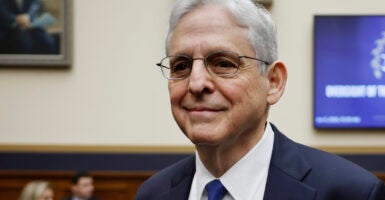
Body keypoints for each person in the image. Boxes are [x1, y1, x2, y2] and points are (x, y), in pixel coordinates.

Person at [135, 0, 385, 200]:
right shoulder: (153, 193)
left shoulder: (351, 192)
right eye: (181, 66)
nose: (196, 83)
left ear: (273, 82)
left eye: (223, 63)